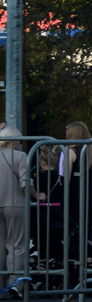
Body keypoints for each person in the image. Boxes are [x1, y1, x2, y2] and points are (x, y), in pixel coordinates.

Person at [0, 125, 32, 293]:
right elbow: (25, 183)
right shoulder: (21, 156)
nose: (20, 143)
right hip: (16, 204)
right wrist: (38, 195)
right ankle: (15, 285)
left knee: (0, 245)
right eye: (19, 139)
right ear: (13, 140)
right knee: (16, 246)